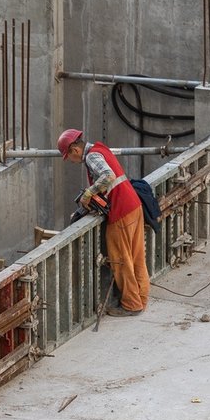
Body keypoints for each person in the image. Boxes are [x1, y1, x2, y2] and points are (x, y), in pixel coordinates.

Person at [58, 127, 150, 316]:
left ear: (75, 150)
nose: (73, 162)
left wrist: (90, 193)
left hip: (121, 212)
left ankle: (132, 305)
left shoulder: (92, 157)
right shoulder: (101, 149)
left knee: (121, 259)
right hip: (134, 205)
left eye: (70, 157)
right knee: (137, 256)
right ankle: (141, 297)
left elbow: (108, 176)